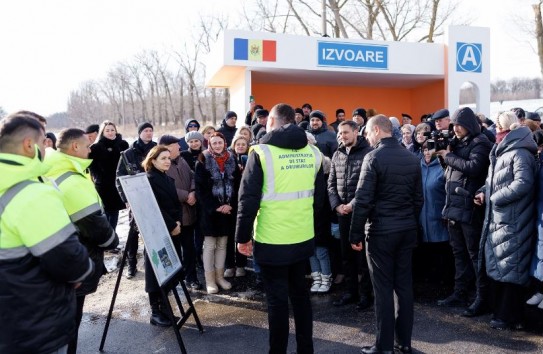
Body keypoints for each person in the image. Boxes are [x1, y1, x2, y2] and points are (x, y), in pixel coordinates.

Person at [0, 113, 93, 353]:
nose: (47, 147)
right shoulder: (32, 193)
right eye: (44, 142)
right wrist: (82, 271)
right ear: (28, 145)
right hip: (33, 321)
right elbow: (70, 261)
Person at [236, 103, 325, 354]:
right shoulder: (313, 153)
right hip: (302, 238)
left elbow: (248, 200)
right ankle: (305, 350)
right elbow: (318, 200)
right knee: (300, 297)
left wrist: (242, 237)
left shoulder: (261, 152)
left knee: (277, 302)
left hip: (272, 240)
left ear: (272, 121)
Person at [350, 115, 423, 354]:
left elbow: (363, 200)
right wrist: (407, 222)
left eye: (368, 133)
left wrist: (355, 234)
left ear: (378, 130)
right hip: (405, 230)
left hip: (381, 232)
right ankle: (404, 343)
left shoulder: (373, 157)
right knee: (404, 287)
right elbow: (418, 200)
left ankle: (384, 346)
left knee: (382, 290)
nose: (366, 137)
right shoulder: (411, 158)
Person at [43, 128, 119, 354]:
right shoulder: (71, 180)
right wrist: (113, 240)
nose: (90, 149)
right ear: (74, 147)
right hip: (74, 263)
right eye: (87, 145)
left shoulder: (56, 169)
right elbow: (95, 225)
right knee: (68, 329)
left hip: (58, 263)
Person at [474, 112, 537, 330]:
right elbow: (494, 181)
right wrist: (484, 192)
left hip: (513, 218)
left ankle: (509, 316)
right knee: (503, 265)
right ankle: (503, 314)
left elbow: (523, 183)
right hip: (502, 218)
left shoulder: (519, 153)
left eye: (498, 128)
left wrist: (495, 198)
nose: (495, 132)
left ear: (506, 129)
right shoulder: (503, 150)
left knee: (512, 265)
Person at [434, 107, 493, 317]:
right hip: (454, 206)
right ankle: (460, 292)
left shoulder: (481, 143)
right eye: (454, 125)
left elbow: (474, 168)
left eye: (459, 125)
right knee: (459, 253)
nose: (456, 129)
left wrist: (448, 156)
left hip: (469, 207)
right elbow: (451, 172)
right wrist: (444, 156)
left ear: (469, 125)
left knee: (475, 255)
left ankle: (481, 298)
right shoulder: (457, 143)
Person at [328, 120, 373, 309]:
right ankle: (350, 292)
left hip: (361, 213)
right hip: (342, 213)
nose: (342, 136)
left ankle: (365, 296)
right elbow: (331, 184)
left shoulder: (368, 153)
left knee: (362, 257)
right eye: (340, 133)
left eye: (346, 132)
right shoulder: (337, 153)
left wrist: (352, 205)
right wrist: (337, 205)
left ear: (356, 132)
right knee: (346, 255)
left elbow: (367, 185)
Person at [141, 145, 182, 326]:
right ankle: (155, 311)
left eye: (168, 158)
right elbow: (153, 208)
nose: (167, 161)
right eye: (163, 158)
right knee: (156, 271)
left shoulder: (165, 177)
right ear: (153, 160)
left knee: (168, 270)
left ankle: (165, 308)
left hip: (172, 229)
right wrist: (172, 225)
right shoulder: (149, 179)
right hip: (158, 232)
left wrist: (178, 222)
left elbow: (175, 203)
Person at [195, 132, 241, 294]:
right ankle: (210, 280)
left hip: (228, 211)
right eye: (214, 143)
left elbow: (238, 184)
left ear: (224, 143)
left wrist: (230, 205)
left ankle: (220, 277)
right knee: (209, 245)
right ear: (209, 144)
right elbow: (200, 190)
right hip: (210, 212)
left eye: (219, 142)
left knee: (223, 245)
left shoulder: (232, 158)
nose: (217, 145)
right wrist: (216, 206)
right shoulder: (202, 160)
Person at [160, 135, 201, 290]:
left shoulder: (181, 159)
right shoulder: (162, 164)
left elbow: (192, 176)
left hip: (189, 211)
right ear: (168, 147)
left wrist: (192, 192)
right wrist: (186, 196)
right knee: (175, 250)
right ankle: (175, 280)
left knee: (189, 248)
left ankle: (191, 278)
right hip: (175, 216)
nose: (179, 146)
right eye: (176, 144)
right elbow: (165, 188)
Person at [116, 122, 157, 278]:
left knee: (152, 231)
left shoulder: (156, 150)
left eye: (151, 130)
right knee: (134, 233)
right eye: (146, 130)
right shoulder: (128, 153)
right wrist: (126, 199)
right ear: (140, 133)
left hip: (154, 196)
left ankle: (151, 263)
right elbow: (119, 177)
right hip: (135, 198)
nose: (148, 133)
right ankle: (131, 264)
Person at [89, 120, 129, 229]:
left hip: (117, 183)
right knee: (106, 212)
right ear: (102, 132)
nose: (110, 132)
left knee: (115, 211)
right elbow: (91, 166)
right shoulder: (96, 147)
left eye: (112, 130)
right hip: (103, 185)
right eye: (107, 130)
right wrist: (98, 177)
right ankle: (108, 237)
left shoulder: (122, 144)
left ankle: (113, 235)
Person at [224, 135, 250, 278]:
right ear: (233, 145)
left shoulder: (251, 159)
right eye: (238, 144)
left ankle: (241, 264)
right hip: (231, 201)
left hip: (244, 202)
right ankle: (230, 265)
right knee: (229, 237)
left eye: (243, 144)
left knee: (242, 234)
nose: (240, 146)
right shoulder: (228, 160)